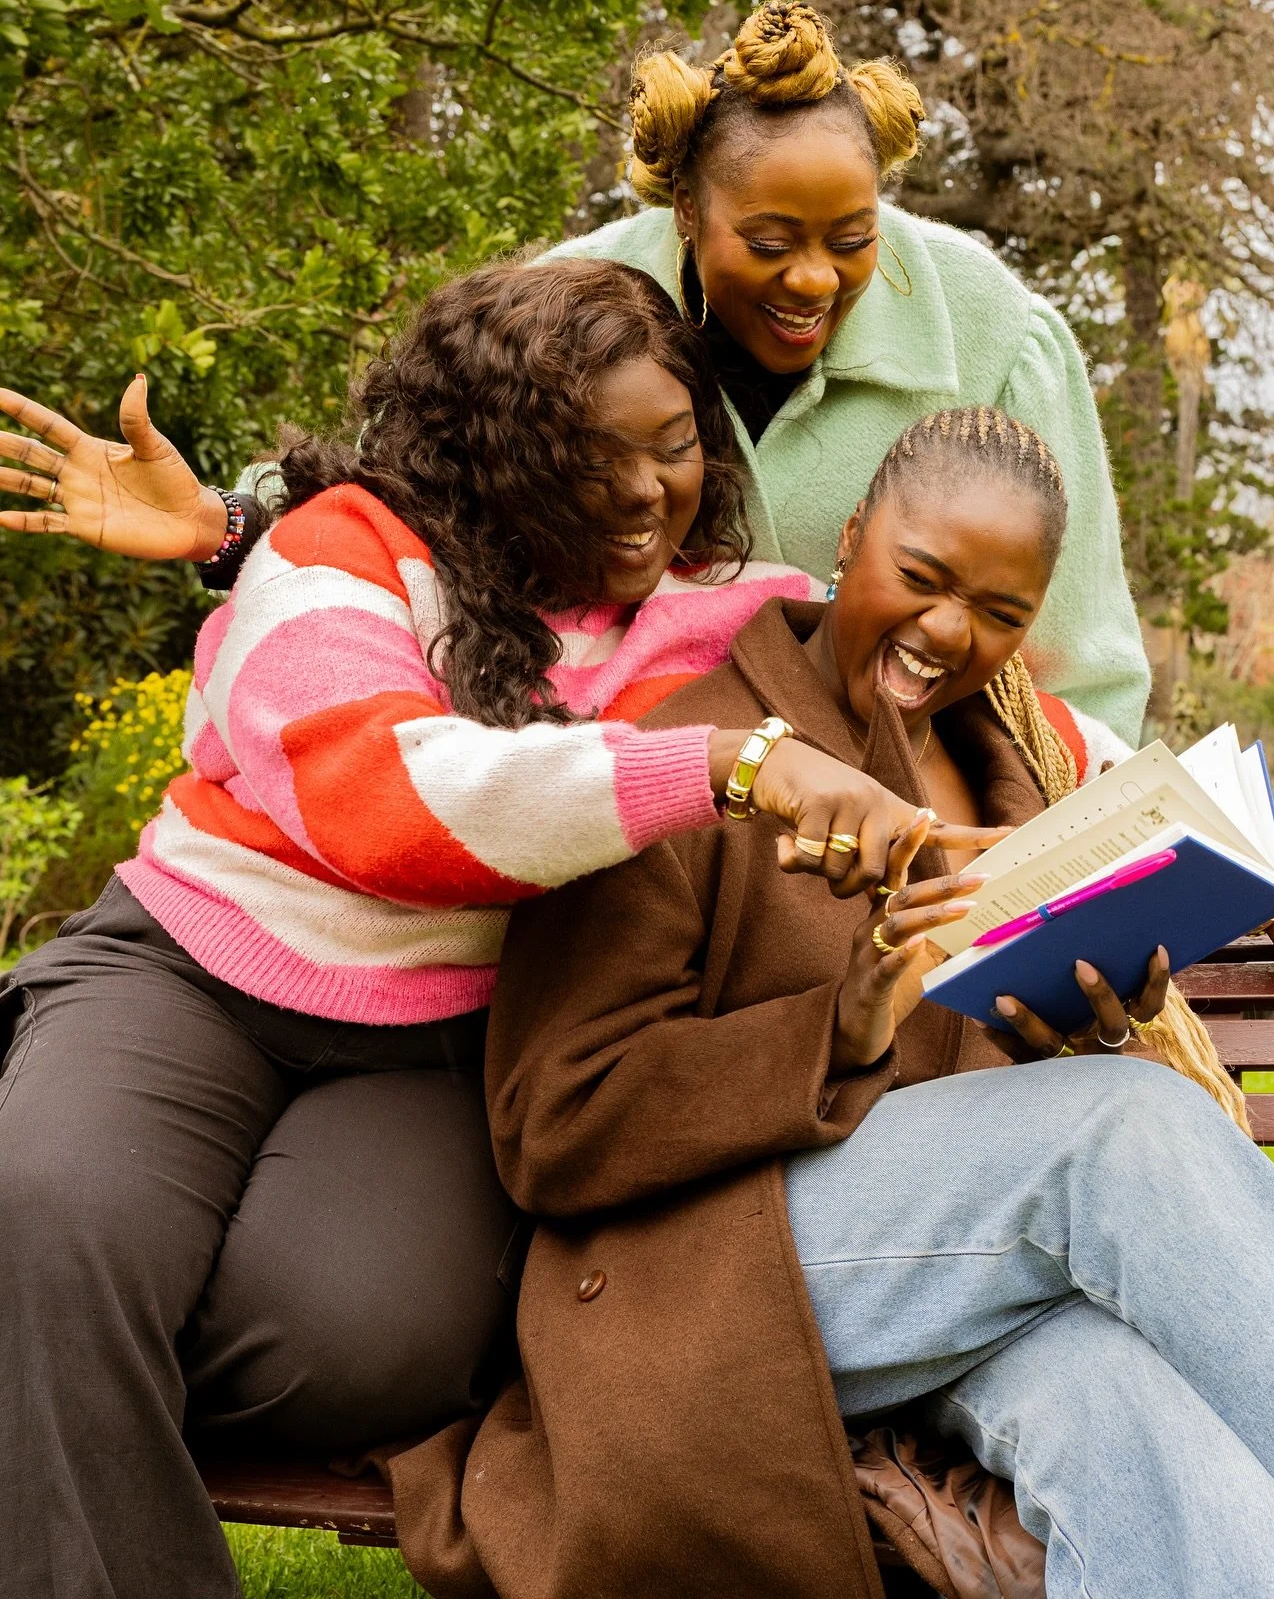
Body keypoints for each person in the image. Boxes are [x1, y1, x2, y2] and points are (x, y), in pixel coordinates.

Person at [0, 259, 1003, 1599]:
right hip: (192, 971)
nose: (651, 493)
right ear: (492, 452)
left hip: (432, 1050)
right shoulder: (336, 553)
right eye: (593, 458)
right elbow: (389, 799)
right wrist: (720, 766)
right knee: (51, 1218)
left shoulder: (714, 617)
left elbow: (987, 701)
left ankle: (57, 1361)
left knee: (360, 1346)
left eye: (676, 448)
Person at [384, 406, 1274, 1599]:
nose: (949, 633)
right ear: (850, 538)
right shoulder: (693, 757)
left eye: (1000, 614)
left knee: (1148, 1433)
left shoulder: (1018, 771)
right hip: (711, 1277)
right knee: (1123, 1130)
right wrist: (838, 1029)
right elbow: (550, 1125)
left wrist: (1071, 1015)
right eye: (922, 579)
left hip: (967, 1275)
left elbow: (988, 1114)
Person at [0, 0, 1149, 739]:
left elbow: (1083, 671)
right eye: (769, 243)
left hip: (897, 804)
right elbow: (419, 487)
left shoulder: (998, 334)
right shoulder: (573, 311)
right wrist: (227, 523)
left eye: (853, 241)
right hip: (621, 792)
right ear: (688, 209)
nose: (813, 281)